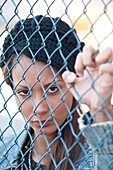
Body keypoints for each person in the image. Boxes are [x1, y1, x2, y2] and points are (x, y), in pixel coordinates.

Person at [0, 15, 113, 170]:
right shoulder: (3, 150)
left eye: (52, 89)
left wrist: (100, 108)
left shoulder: (98, 156)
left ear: (73, 83)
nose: (39, 109)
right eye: (24, 92)